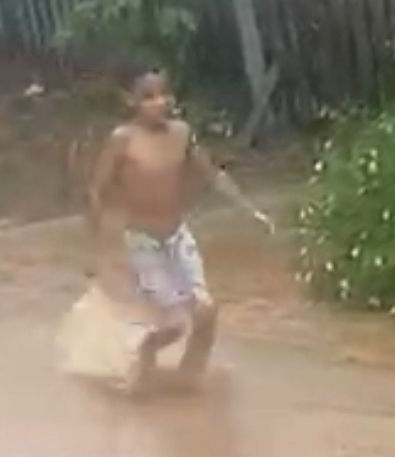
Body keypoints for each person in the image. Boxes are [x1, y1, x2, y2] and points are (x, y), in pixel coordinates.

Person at [88, 66, 274, 387]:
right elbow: (97, 191)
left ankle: (190, 381)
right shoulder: (122, 140)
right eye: (148, 97)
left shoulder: (181, 133)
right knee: (172, 325)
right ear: (131, 101)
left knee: (207, 312)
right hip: (142, 243)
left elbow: (212, 174)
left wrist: (250, 210)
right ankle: (141, 361)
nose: (158, 102)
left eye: (163, 94)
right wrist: (103, 249)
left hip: (177, 237)